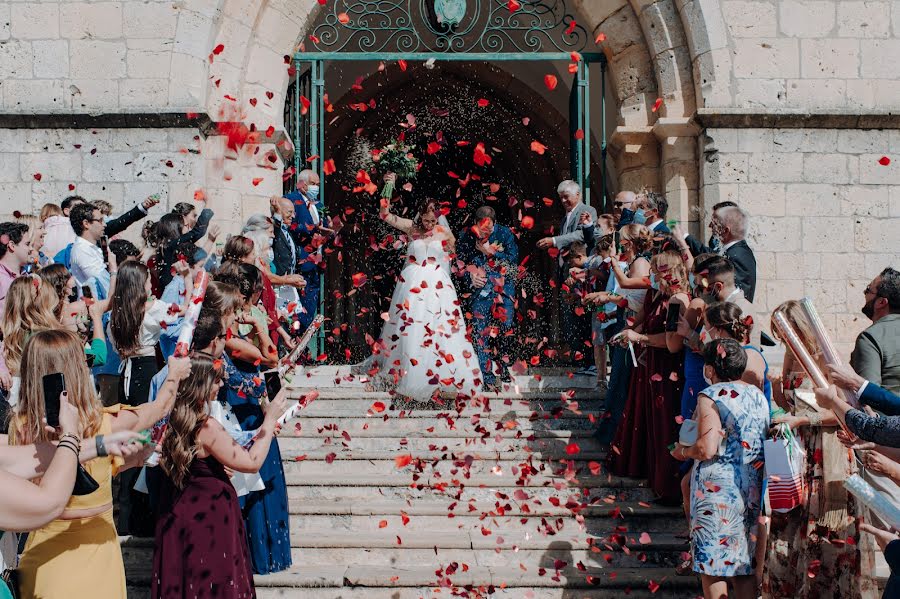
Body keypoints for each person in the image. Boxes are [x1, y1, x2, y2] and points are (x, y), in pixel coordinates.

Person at [8, 329, 190, 599]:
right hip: (97, 556)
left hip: (43, 557)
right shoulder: (105, 426)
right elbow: (160, 407)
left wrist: (128, 461)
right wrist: (174, 373)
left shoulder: (19, 428)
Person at [762, 300, 872, 599]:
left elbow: (846, 409)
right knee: (791, 524)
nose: (782, 338)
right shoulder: (789, 356)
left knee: (824, 531)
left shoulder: (826, 357)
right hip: (798, 453)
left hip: (826, 452)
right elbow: (791, 402)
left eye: (785, 331)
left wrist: (803, 419)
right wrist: (776, 394)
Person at [153, 353, 288, 598]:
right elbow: (252, 462)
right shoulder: (207, 427)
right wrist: (270, 418)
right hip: (210, 518)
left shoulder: (174, 420)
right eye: (216, 381)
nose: (222, 385)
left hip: (182, 513)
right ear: (202, 384)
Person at [358, 180, 481, 400]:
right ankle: (411, 376)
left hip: (438, 285)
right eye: (426, 220)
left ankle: (447, 377)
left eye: (433, 220)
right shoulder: (411, 228)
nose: (429, 225)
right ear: (420, 215)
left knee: (440, 327)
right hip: (412, 284)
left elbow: (459, 256)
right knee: (412, 327)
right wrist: (388, 186)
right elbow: (385, 214)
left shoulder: (444, 233)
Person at [671, 338, 769, 599]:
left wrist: (683, 452)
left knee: (712, 566)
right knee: (742, 566)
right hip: (749, 487)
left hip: (717, 492)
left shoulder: (711, 395)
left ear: (711, 369)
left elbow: (707, 448)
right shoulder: (758, 396)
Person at [107, 260, 192, 534]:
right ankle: (146, 514)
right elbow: (187, 311)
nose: (150, 284)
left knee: (128, 435)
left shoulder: (115, 316)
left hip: (125, 376)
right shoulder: (153, 309)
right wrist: (189, 279)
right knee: (148, 435)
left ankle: (127, 517)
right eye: (146, 280)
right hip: (147, 371)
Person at [608, 245, 689, 502]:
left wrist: (639, 337)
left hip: (668, 370)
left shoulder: (678, 301)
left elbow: (672, 342)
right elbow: (644, 320)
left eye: (655, 270)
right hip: (652, 365)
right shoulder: (656, 295)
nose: (651, 274)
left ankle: (668, 487)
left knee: (666, 424)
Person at [590, 224, 652, 444]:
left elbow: (633, 292)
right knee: (617, 379)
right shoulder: (634, 263)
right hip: (624, 322)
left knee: (620, 381)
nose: (618, 245)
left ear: (629, 243)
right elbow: (628, 298)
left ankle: (616, 436)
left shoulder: (641, 263)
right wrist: (607, 298)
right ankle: (611, 433)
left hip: (633, 327)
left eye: (621, 241)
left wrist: (613, 260)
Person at [455, 206, 518, 391]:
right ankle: (486, 375)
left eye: (489, 229)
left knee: (506, 328)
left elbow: (513, 261)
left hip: (503, 290)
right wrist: (470, 277)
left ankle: (504, 368)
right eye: (482, 229)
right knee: (480, 332)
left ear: (494, 224)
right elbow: (458, 264)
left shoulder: (505, 234)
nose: (485, 232)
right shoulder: (466, 236)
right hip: (479, 292)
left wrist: (491, 252)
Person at [678, 205, 757, 302]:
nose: (710, 226)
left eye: (715, 223)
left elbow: (737, 294)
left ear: (726, 230)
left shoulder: (738, 255)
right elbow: (707, 254)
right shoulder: (731, 250)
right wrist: (684, 237)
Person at [691, 254, 760, 348]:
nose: (698, 292)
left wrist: (688, 333)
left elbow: (727, 354)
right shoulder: (724, 307)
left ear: (718, 286)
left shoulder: (736, 312)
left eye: (701, 287)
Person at [852, 267, 900, 394]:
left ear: (881, 302)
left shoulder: (870, 337)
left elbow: (869, 398)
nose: (864, 293)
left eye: (868, 289)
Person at [153, 202, 214, 291]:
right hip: (173, 290)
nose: (188, 227)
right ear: (175, 228)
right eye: (185, 225)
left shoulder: (167, 244)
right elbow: (198, 232)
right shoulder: (173, 243)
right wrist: (208, 200)